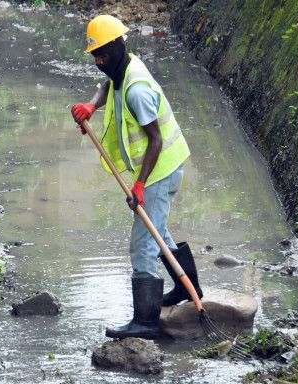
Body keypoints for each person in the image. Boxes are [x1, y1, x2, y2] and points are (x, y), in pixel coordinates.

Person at [71, 15, 203, 340]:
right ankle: (190, 288)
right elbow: (107, 85)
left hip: (161, 169)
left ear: (118, 46)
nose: (99, 60)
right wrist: (92, 106)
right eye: (95, 55)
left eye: (103, 53)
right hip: (159, 169)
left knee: (143, 242)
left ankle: (145, 322)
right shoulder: (121, 70)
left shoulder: (137, 91)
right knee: (159, 233)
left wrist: (140, 184)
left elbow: (155, 140)